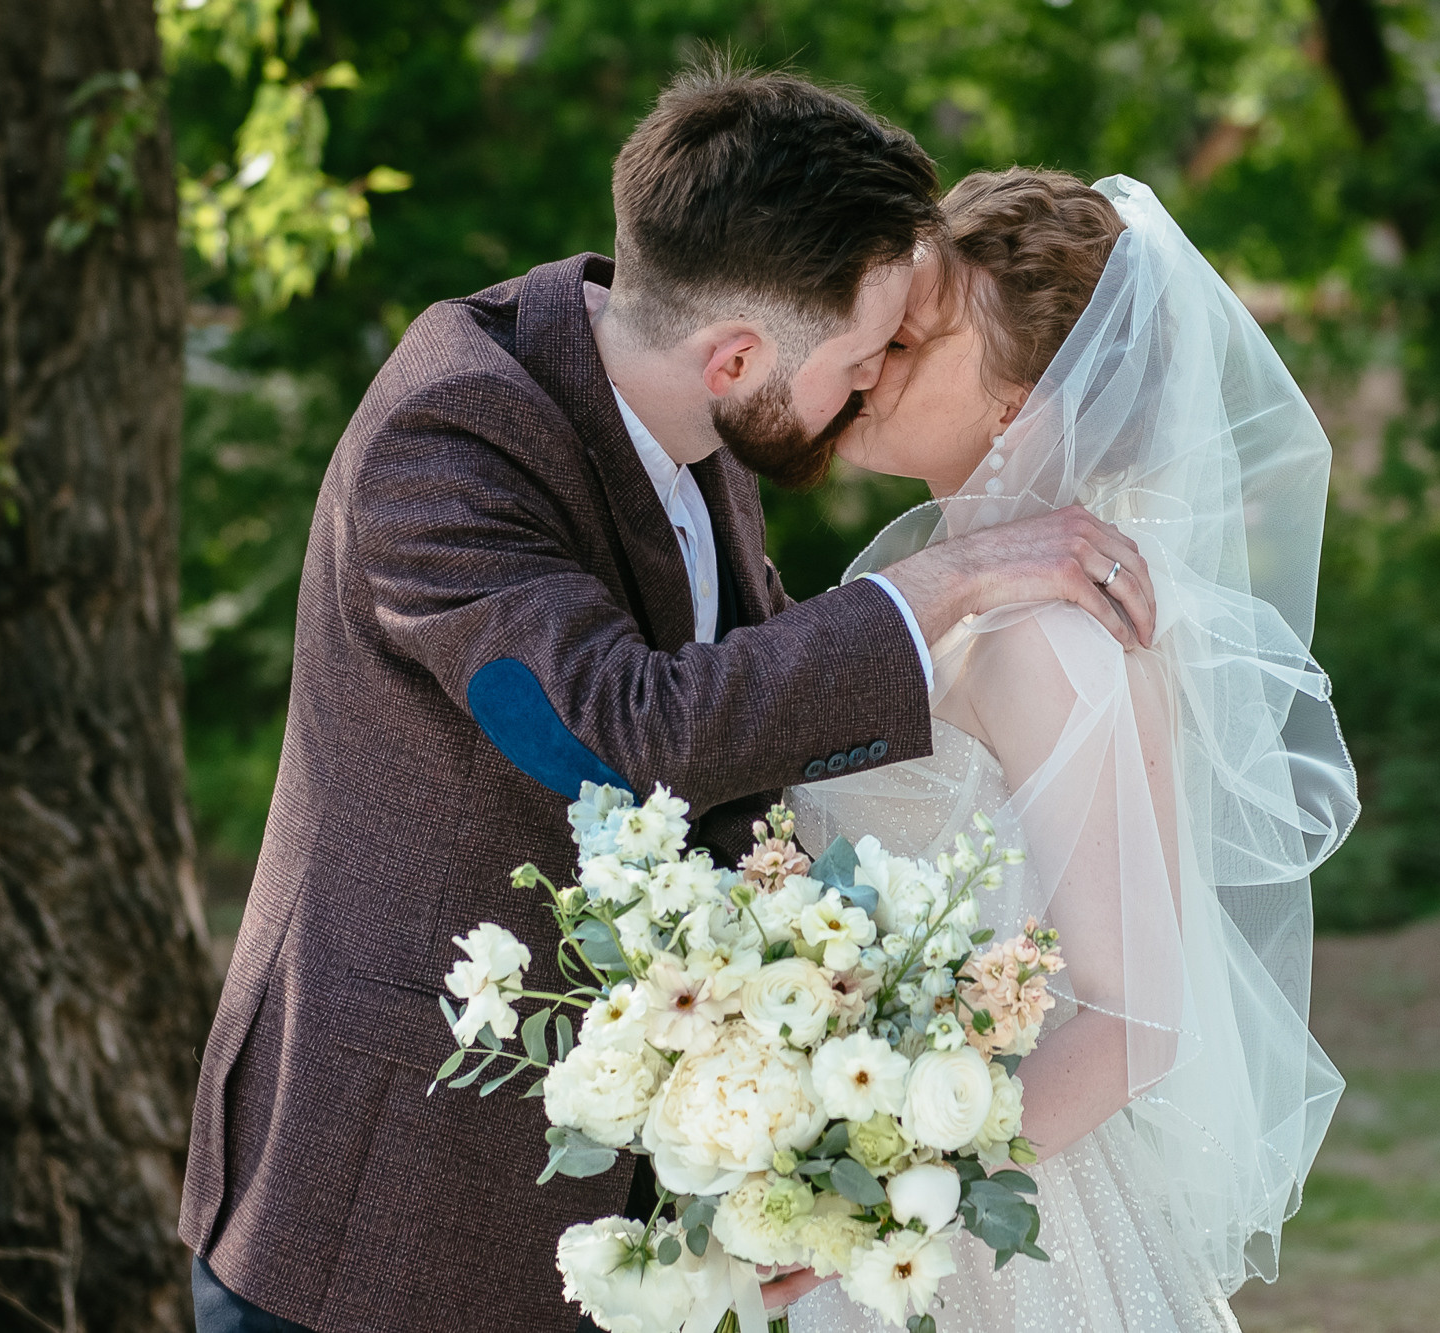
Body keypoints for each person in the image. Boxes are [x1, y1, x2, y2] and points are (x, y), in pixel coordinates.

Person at [176, 73, 1158, 1333]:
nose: (868, 387)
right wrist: (950, 578)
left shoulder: (698, 414)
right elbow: (610, 733)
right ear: (738, 355)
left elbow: (745, 746)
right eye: (862, 357)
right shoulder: (446, 442)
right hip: (386, 1212)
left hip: (640, 1203)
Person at [778, 170, 1359, 1331]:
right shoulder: (942, 606)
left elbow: (1138, 1019)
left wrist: (897, 1207)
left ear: (1024, 406)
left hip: (989, 1234)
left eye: (914, 338)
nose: (873, 357)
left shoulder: (1051, 640)